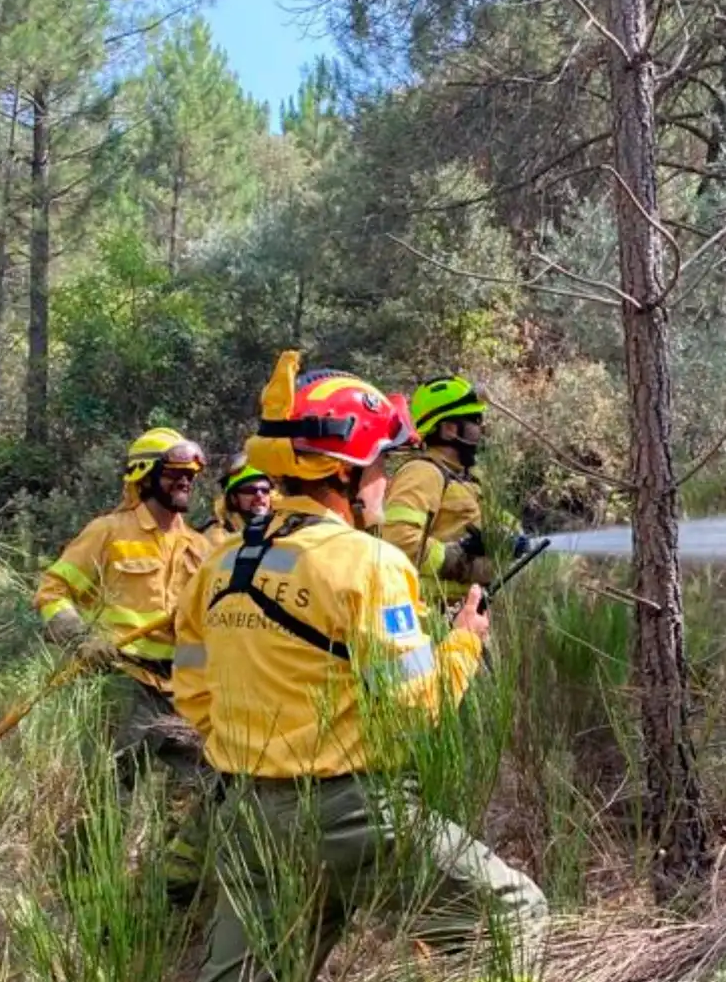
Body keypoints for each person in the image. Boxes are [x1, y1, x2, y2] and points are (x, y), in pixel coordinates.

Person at [172, 352, 547, 982]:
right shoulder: (367, 564)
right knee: (514, 913)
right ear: (344, 471)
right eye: (379, 464)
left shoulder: (220, 564)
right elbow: (414, 708)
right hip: (352, 817)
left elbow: (194, 693)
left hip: (246, 817)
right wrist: (462, 643)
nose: (384, 480)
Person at [33, 426, 215, 902]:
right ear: (145, 475)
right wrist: (81, 636)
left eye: (191, 476)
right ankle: (81, 900)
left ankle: (169, 895)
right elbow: (53, 593)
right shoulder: (109, 532)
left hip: (182, 689)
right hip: (122, 681)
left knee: (204, 785)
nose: (186, 483)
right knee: (110, 798)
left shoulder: (200, 546)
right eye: (176, 474)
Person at [382, 375, 500, 604]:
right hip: (433, 615)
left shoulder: (470, 479)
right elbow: (398, 540)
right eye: (475, 420)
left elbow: (489, 518)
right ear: (449, 429)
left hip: (468, 613)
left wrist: (510, 537)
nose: (481, 430)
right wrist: (461, 559)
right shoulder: (422, 473)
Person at [203, 452, 275, 547]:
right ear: (233, 498)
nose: (259, 495)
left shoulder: (284, 527)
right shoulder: (217, 537)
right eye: (250, 490)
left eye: (265, 490)